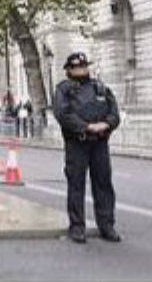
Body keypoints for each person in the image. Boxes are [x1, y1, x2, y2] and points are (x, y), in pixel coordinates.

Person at [53, 51, 121, 244]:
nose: (81, 69)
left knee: (103, 184)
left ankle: (107, 224)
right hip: (77, 143)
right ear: (69, 70)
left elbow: (114, 112)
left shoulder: (100, 87)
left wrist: (107, 124)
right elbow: (63, 114)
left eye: (83, 66)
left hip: (99, 142)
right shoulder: (64, 90)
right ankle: (77, 226)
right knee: (76, 185)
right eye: (76, 67)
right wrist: (86, 126)